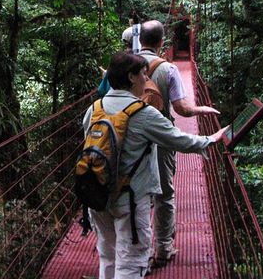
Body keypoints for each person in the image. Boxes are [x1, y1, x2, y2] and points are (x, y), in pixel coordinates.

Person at [83, 52, 228, 279]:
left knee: (108, 257)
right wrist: (211, 139)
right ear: (131, 78)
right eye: (143, 74)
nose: (147, 81)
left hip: (96, 195)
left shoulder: (95, 108)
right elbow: (180, 139)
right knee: (132, 261)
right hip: (130, 199)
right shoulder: (143, 113)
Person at [138, 19, 219, 268]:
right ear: (162, 42)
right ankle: (163, 247)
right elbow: (181, 109)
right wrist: (201, 109)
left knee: (133, 191)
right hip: (161, 136)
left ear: (139, 40)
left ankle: (133, 250)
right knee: (164, 191)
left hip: (129, 135)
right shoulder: (169, 70)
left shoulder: (123, 66)